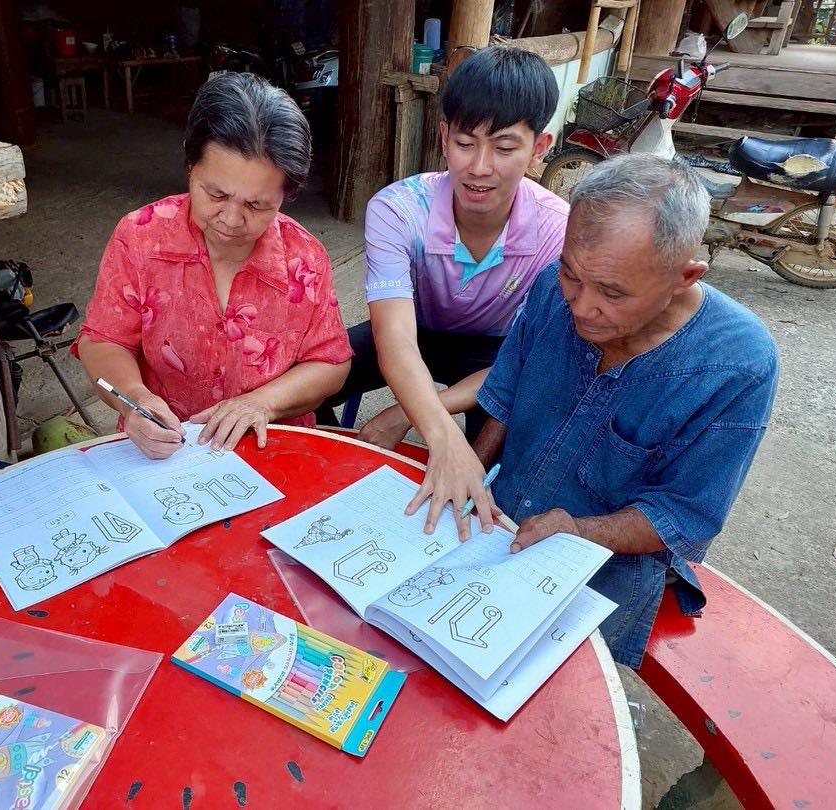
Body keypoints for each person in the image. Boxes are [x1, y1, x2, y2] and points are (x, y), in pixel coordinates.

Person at [473, 154, 779, 668]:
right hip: (494, 527)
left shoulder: (737, 363)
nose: (580, 305)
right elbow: (505, 395)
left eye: (612, 293)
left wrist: (579, 531)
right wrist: (469, 471)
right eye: (572, 274)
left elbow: (684, 514)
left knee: (558, 694)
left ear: (685, 276)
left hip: (604, 573)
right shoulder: (551, 286)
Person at [316, 45, 568, 541]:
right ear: (443, 137)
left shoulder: (557, 229)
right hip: (415, 331)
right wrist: (436, 430)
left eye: (505, 147)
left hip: (498, 351)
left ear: (540, 147)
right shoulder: (397, 210)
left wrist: (414, 414)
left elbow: (526, 359)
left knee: (506, 448)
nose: (480, 167)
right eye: (465, 143)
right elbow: (395, 338)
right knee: (315, 371)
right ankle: (324, 478)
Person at [75, 72, 352, 458]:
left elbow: (330, 363)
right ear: (191, 167)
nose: (232, 220)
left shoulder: (303, 258)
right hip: (164, 452)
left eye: (257, 205)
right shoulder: (140, 237)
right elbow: (104, 340)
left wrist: (261, 403)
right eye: (216, 194)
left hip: (270, 450)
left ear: (285, 194)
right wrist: (135, 400)